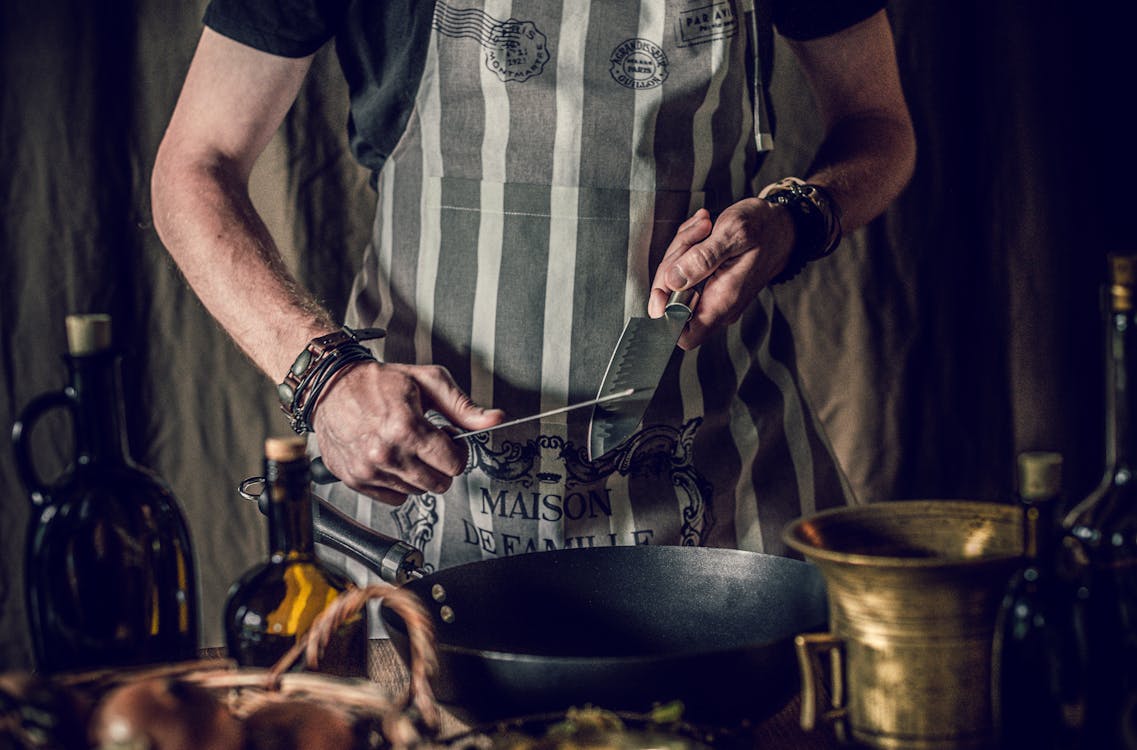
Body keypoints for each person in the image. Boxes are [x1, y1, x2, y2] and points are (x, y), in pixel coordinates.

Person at [152, 1, 915, 577]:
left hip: (724, 501)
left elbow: (878, 123)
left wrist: (794, 219)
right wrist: (325, 378)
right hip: (425, 523)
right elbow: (197, 164)